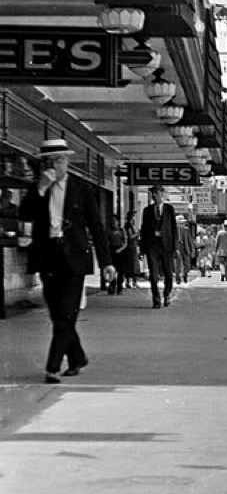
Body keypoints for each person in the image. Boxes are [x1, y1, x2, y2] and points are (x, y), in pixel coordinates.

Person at [19, 139, 115, 383]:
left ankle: (52, 367)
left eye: (57, 161)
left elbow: (96, 226)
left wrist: (107, 262)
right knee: (57, 314)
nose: (53, 166)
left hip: (74, 257)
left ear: (66, 161)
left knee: (66, 314)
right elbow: (25, 214)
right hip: (48, 256)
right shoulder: (37, 188)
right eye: (48, 162)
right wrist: (40, 189)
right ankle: (77, 357)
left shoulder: (81, 189)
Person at [139, 184, 178, 309]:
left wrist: (175, 247)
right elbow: (144, 230)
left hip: (166, 246)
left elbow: (174, 229)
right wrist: (142, 249)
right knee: (153, 274)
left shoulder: (169, 209)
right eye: (152, 193)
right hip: (152, 247)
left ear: (161, 194)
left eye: (156, 193)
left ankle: (167, 294)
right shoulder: (147, 210)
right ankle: (156, 299)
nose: (154, 196)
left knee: (168, 273)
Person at [106, 215, 127, 295]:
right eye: (112, 221)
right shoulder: (109, 231)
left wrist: (120, 249)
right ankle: (112, 286)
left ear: (118, 222)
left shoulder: (122, 231)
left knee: (121, 271)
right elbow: (107, 241)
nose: (113, 222)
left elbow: (125, 242)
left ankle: (119, 288)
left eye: (115, 220)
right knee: (112, 270)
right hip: (112, 250)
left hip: (120, 251)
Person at [175, 215, 194, 285]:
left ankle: (185, 276)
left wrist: (192, 249)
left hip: (185, 248)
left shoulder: (186, 230)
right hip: (177, 248)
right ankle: (177, 279)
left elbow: (190, 240)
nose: (183, 224)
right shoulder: (173, 230)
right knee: (178, 264)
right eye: (181, 223)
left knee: (187, 265)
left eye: (183, 223)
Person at [123, 210, 140, 288]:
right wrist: (137, 234)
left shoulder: (131, 226)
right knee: (130, 264)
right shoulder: (128, 226)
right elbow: (130, 237)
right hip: (130, 247)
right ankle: (129, 281)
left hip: (132, 247)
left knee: (133, 265)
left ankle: (133, 281)